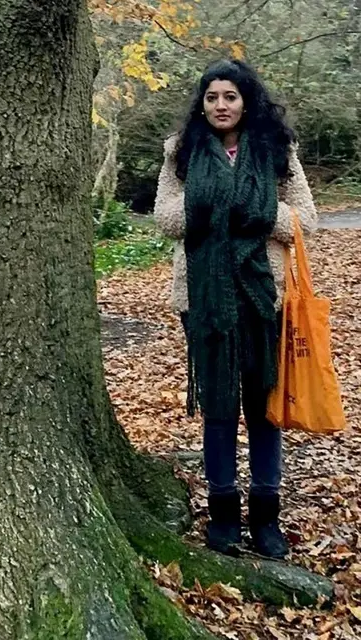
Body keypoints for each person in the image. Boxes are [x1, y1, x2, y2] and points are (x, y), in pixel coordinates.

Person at [154, 59, 317, 559]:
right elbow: (164, 217)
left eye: (229, 96)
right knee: (219, 406)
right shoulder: (180, 151)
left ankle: (267, 515)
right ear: (201, 104)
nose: (220, 105)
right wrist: (214, 200)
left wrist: (260, 208)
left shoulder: (274, 150)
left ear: (246, 100)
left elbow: (305, 220)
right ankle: (224, 510)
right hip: (200, 300)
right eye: (211, 97)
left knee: (263, 408)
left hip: (263, 298)